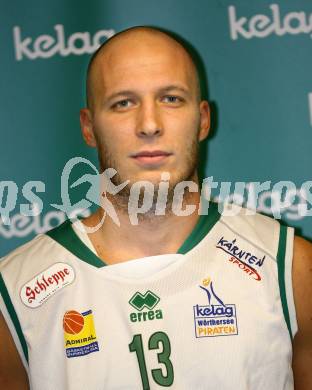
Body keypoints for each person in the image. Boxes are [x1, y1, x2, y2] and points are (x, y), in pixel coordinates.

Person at [0, 26, 311, 390]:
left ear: (203, 119)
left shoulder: (290, 268)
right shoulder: (15, 296)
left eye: (171, 99)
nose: (149, 124)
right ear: (89, 127)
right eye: (123, 103)